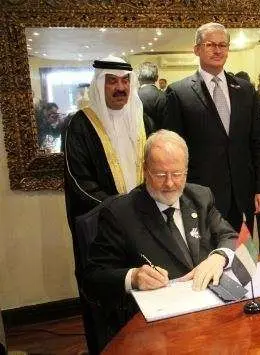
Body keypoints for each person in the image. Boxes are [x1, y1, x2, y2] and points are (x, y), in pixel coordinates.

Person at [83, 129, 237, 345]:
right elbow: (93, 277)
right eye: (160, 175)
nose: (170, 184)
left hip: (210, 313)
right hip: (158, 328)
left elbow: (231, 236)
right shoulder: (120, 213)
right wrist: (133, 276)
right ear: (145, 170)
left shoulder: (201, 197)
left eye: (177, 174)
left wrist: (218, 257)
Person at [63, 55, 154, 354]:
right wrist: (119, 211)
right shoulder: (80, 125)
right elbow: (80, 182)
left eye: (125, 81)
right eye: (112, 81)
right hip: (101, 227)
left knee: (147, 285)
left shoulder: (144, 120)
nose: (120, 88)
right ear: (100, 84)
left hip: (143, 223)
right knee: (106, 293)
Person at [164, 22, 260, 233]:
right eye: (210, 44)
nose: (217, 50)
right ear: (197, 49)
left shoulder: (245, 89)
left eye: (223, 45)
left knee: (241, 257)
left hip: (243, 195)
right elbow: (174, 151)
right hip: (199, 197)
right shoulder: (178, 93)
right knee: (208, 259)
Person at [137, 62, 167, 128]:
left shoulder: (131, 97)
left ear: (138, 77)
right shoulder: (164, 96)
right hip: (159, 137)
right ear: (156, 78)